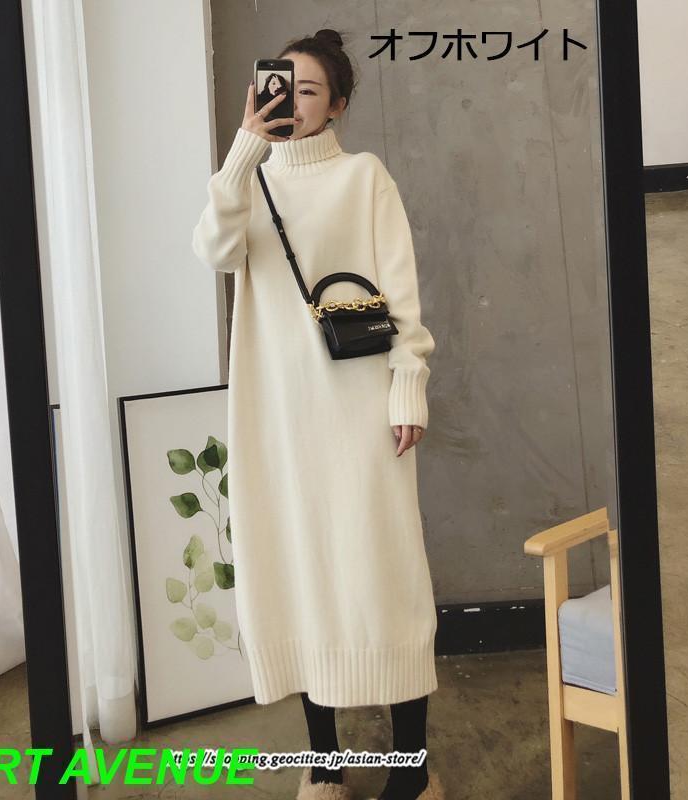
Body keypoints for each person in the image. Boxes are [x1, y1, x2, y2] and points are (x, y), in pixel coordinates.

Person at [191, 28, 444, 800]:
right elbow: (213, 251)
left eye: (308, 91)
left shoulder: (366, 178)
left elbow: (402, 294)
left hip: (360, 411)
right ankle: (325, 764)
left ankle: (411, 769)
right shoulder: (249, 183)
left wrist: (408, 389)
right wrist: (244, 148)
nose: (291, 103)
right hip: (276, 418)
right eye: (280, 87)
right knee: (299, 576)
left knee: (384, 580)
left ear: (337, 104)